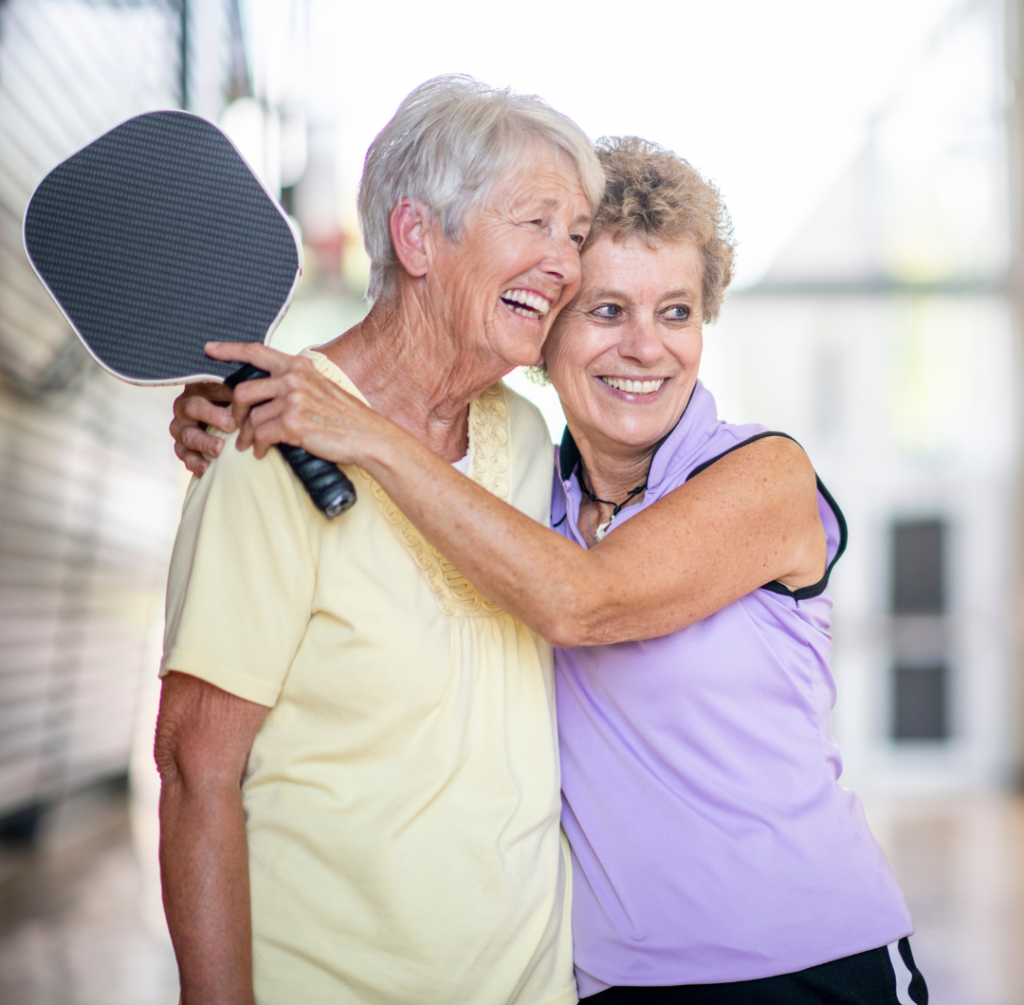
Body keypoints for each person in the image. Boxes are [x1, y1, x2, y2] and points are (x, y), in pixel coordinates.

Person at [177, 137, 926, 1005]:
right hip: (613, 985)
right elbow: (431, 426)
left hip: (806, 969)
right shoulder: (525, 490)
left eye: (677, 312)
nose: (647, 347)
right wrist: (246, 409)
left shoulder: (765, 478)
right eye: (607, 310)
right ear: (545, 332)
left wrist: (353, 423)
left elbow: (584, 601)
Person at [155, 74, 605, 1005]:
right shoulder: (263, 451)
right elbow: (196, 773)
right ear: (417, 237)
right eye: (535, 223)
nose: (566, 263)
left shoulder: (521, 438)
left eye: (576, 235)